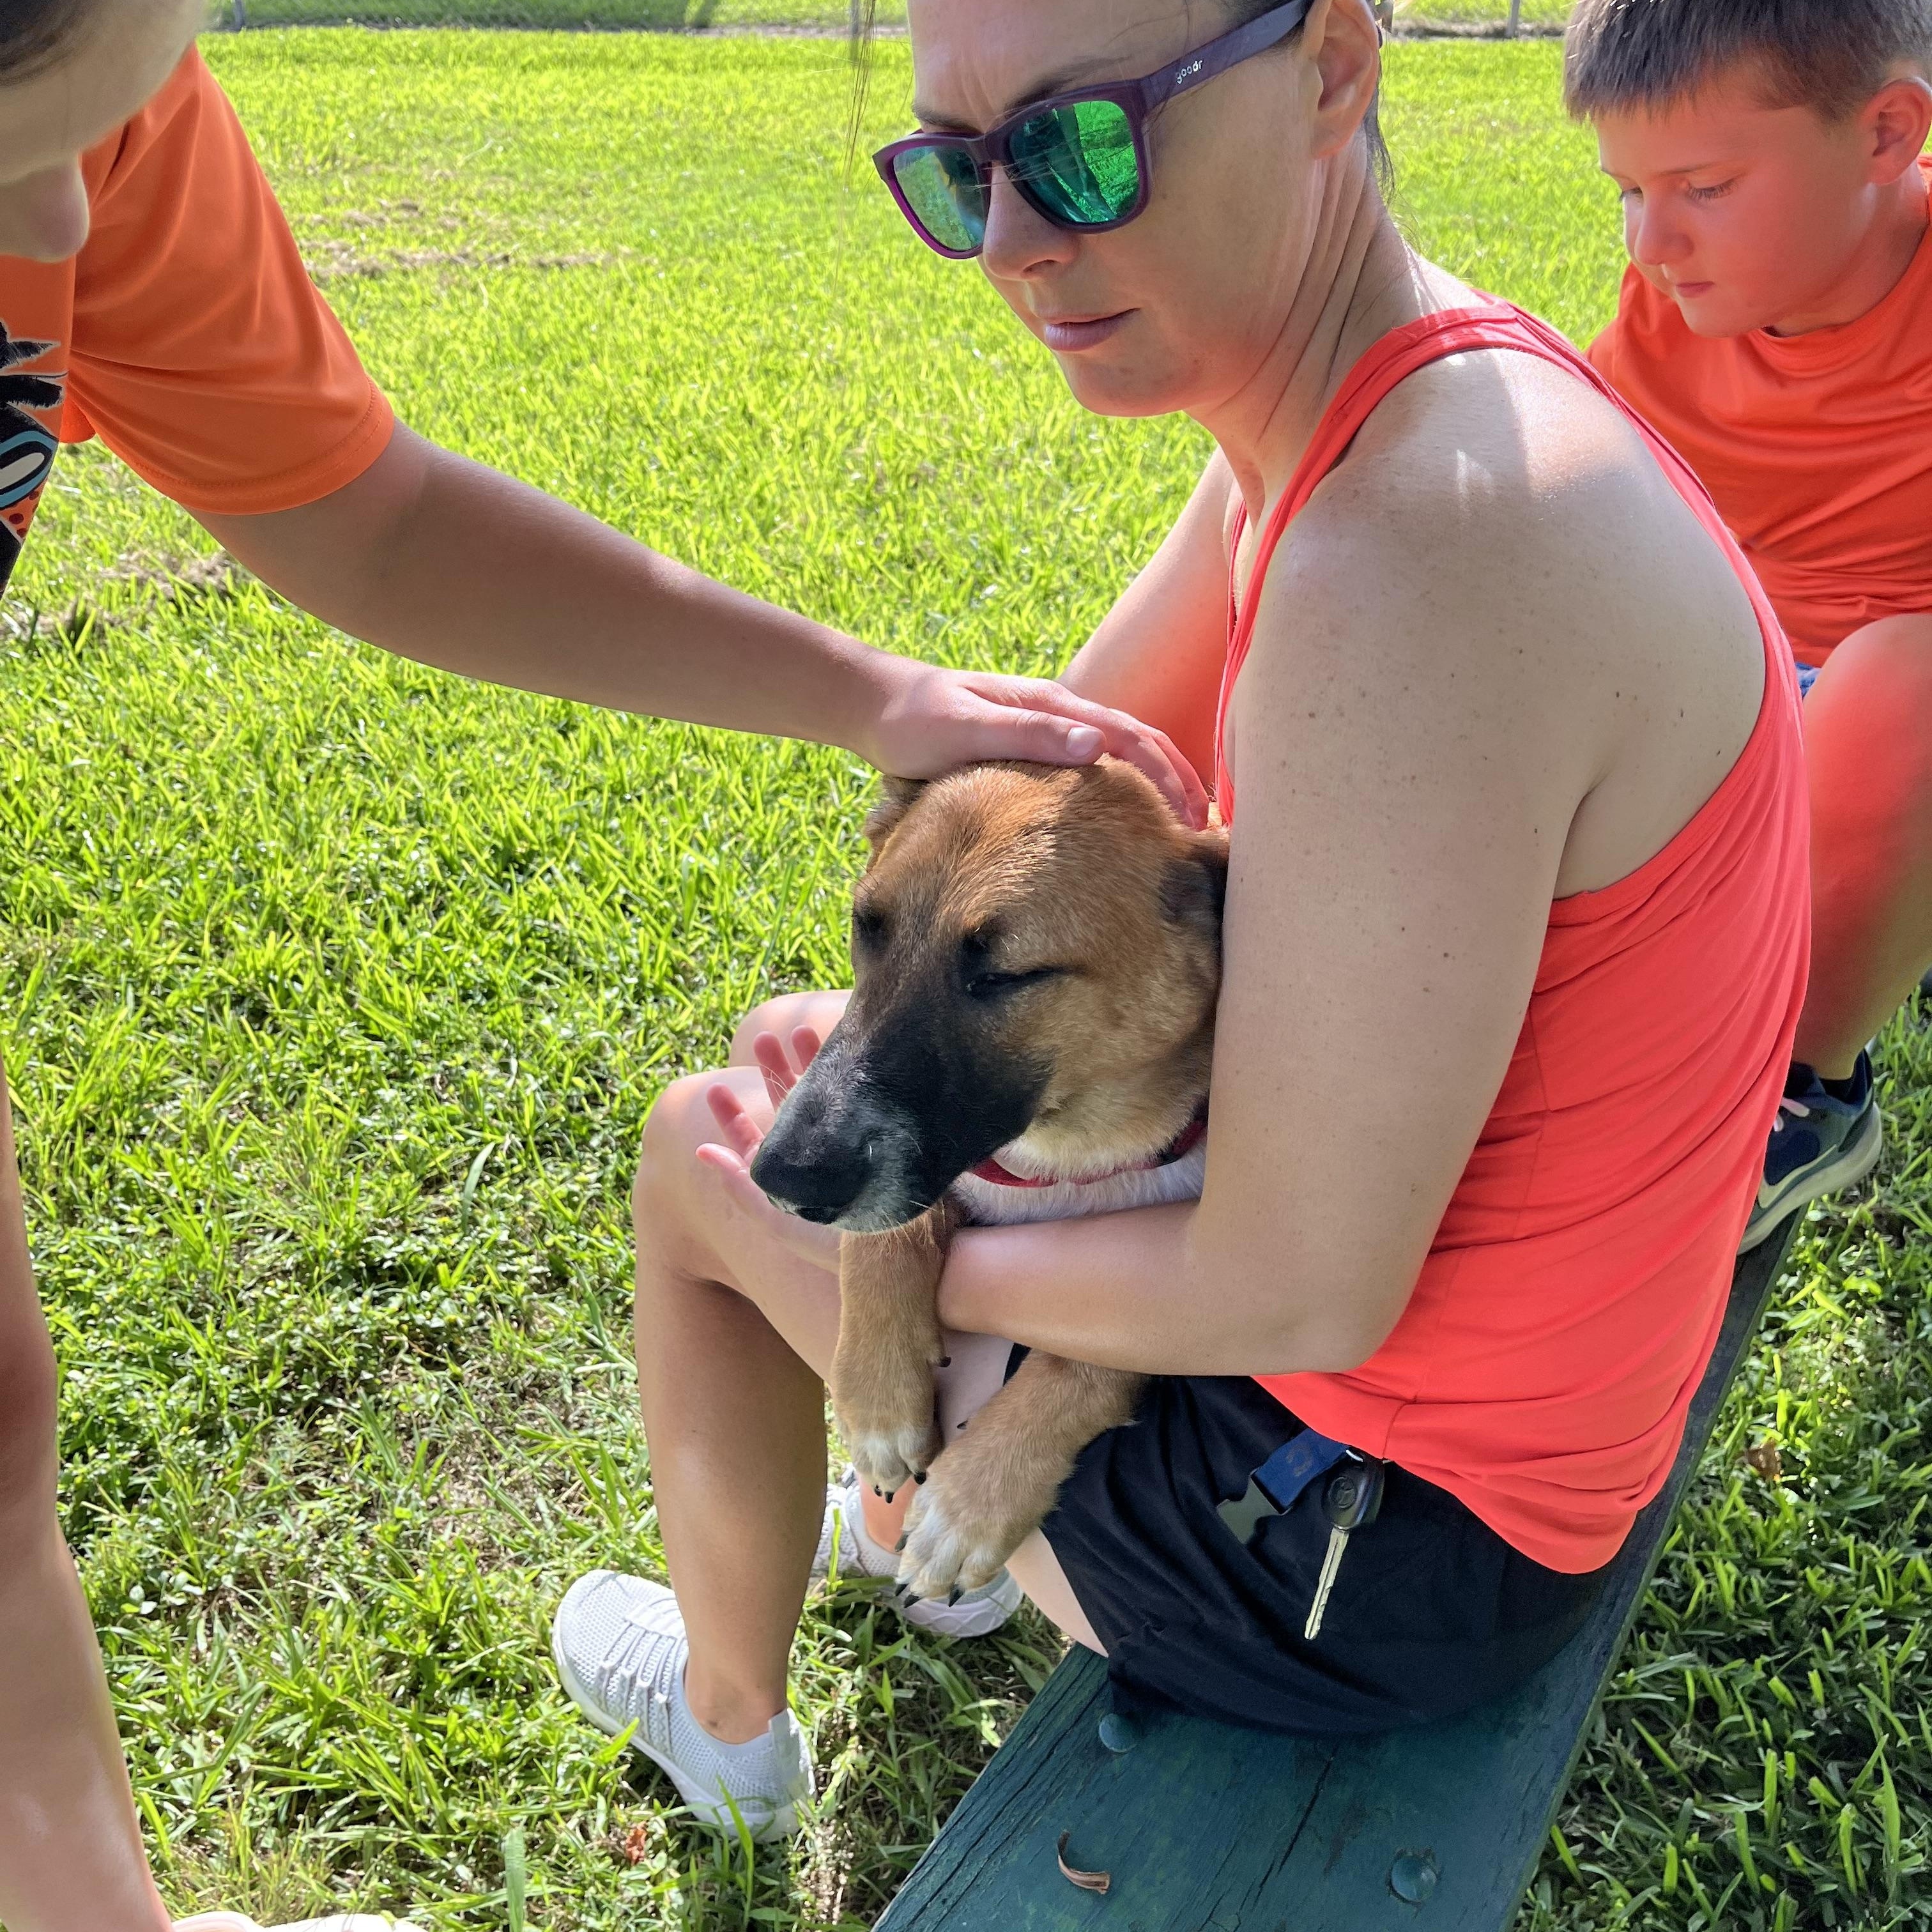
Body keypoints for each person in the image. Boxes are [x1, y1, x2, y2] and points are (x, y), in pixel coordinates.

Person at [551, 0, 1810, 1844]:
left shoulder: (1422, 554)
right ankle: (893, 1491)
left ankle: (733, 1729)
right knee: (809, 1096)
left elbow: (1301, 1286)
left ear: (1333, 70)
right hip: (1471, 1437)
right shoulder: (1369, 419)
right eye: (956, 170)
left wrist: (896, 1256)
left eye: (1079, 142)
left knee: (700, 1161)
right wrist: (873, 1038)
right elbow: (1046, 812)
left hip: (1381, 1544)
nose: (1009, 241)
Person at [0, 4, 1204, 1926]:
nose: (63, 213)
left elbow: (367, 511)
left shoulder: (113, 113)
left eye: (90, 106)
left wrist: (875, 696)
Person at [1567, 0, 1932, 1250]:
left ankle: (1805, 1092)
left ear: (1888, 133)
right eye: (1626, 191)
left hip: (1897, 697)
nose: (1652, 239)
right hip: (1736, 670)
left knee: (1906, 683)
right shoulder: (1677, 297)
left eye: (1705, 187)